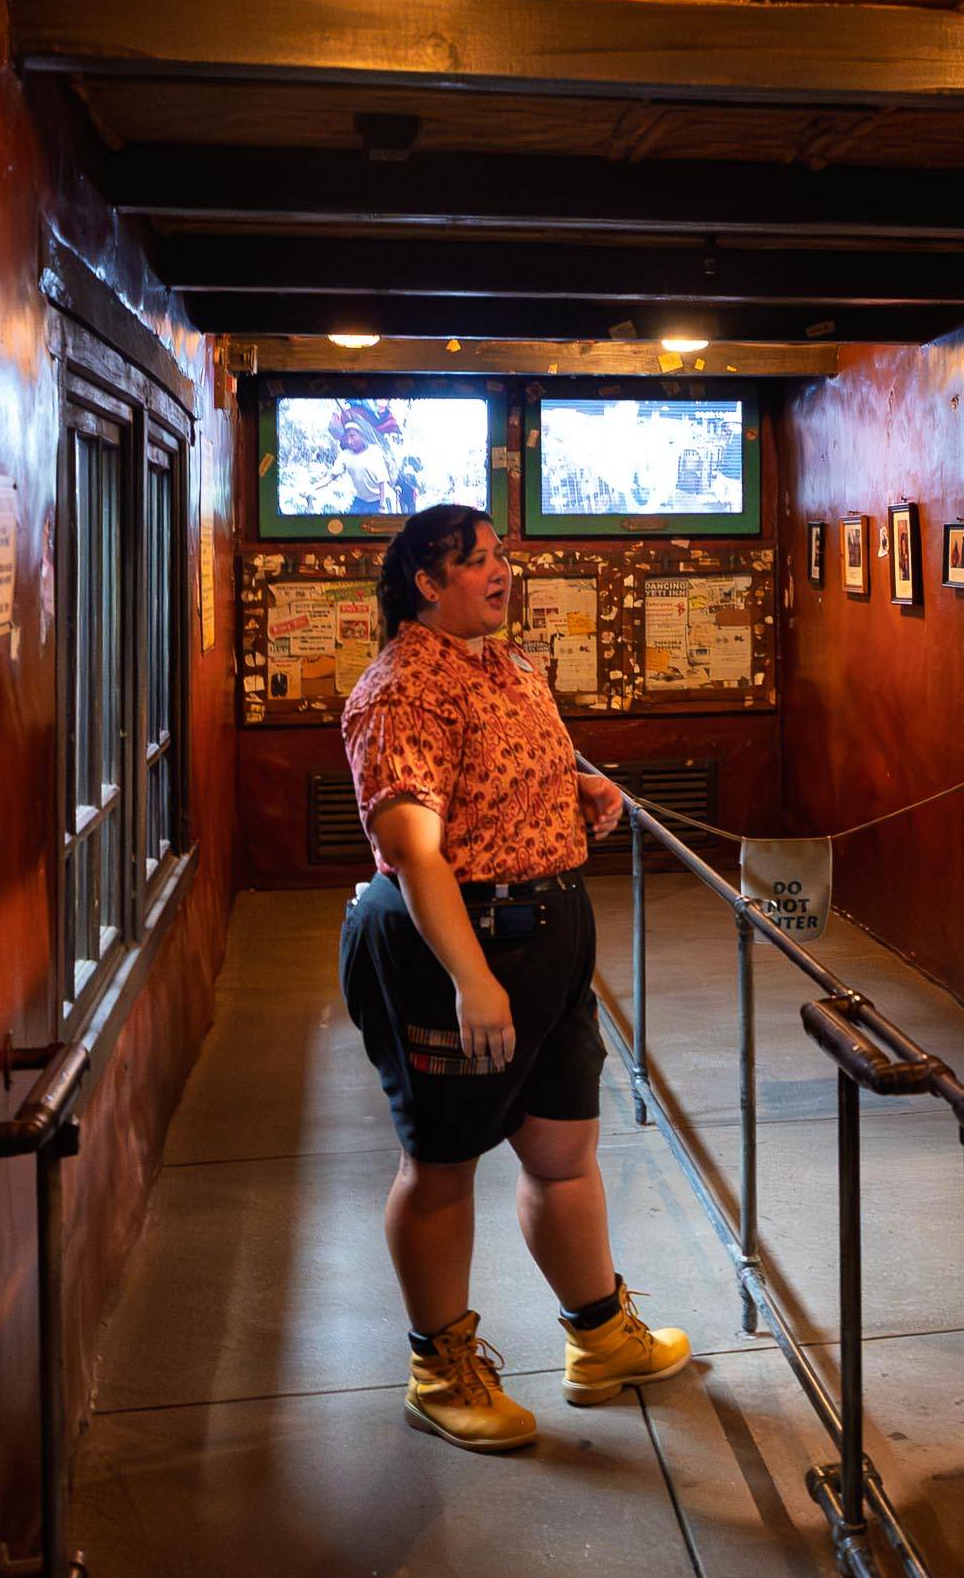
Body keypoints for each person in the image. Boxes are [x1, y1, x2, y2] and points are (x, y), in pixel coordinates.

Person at [337, 503, 691, 1452]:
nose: (503, 572)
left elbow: (499, 775)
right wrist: (470, 979)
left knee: (562, 1146)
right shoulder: (402, 689)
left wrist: (577, 790)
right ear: (427, 582)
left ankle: (601, 1336)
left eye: (502, 556)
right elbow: (412, 849)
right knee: (443, 1164)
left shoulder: (509, 665)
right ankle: (438, 1371)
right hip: (455, 944)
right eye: (480, 562)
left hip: (549, 932)